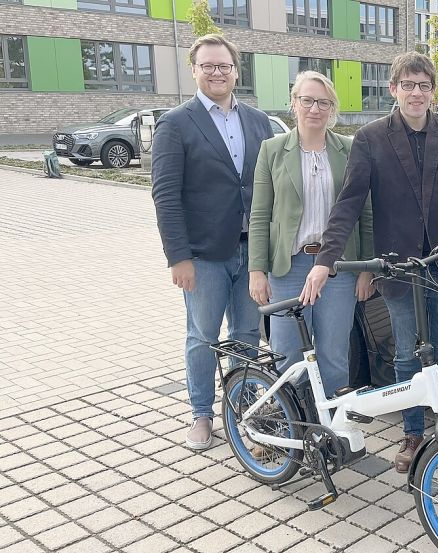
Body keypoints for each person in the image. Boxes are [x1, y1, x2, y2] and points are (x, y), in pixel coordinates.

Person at [300, 51, 438, 474]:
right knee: (405, 354)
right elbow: (348, 203)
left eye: (423, 85)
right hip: (398, 267)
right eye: (408, 85)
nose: (416, 93)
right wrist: (325, 261)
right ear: (393, 89)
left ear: (433, 91)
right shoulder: (371, 138)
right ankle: (413, 431)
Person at [151, 34, 273, 450]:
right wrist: (178, 257)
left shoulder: (258, 121)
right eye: (209, 66)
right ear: (195, 70)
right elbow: (165, 195)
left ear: (236, 70)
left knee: (246, 336)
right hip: (202, 256)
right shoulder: (176, 123)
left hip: (251, 251)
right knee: (202, 336)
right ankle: (202, 414)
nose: (217, 72)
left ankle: (243, 414)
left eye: (224, 65)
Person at [247, 71, 374, 397]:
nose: (314, 108)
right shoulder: (272, 150)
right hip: (289, 267)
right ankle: (284, 423)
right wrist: (256, 270)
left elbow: (365, 214)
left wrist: (365, 270)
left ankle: (332, 429)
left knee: (333, 351)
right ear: (295, 104)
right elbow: (260, 214)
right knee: (287, 351)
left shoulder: (350, 150)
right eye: (307, 100)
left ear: (332, 108)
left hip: (339, 268)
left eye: (323, 102)